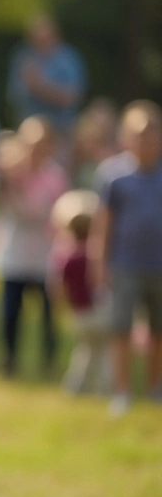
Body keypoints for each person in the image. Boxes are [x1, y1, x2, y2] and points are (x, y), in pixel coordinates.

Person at [91, 100, 162, 417]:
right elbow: (103, 224)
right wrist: (100, 263)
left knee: (158, 331)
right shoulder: (113, 175)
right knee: (121, 329)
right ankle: (122, 391)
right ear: (126, 137)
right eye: (139, 134)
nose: (146, 140)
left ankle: (155, 387)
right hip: (125, 264)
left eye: (152, 133)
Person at [0, 117, 68, 377]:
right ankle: (9, 359)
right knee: (10, 312)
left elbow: (57, 212)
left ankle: (49, 360)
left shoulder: (55, 175)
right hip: (14, 253)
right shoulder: (11, 171)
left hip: (46, 253)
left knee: (48, 313)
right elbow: (3, 206)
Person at [48, 190, 109, 396]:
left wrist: (62, 306)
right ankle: (103, 387)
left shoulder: (66, 256)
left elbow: (59, 286)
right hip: (99, 310)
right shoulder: (97, 255)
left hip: (80, 312)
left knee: (84, 350)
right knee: (102, 353)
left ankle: (76, 385)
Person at [7, 14, 87, 137]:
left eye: (45, 38)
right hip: (30, 132)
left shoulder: (68, 59)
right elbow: (15, 97)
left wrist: (41, 87)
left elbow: (73, 97)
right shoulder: (23, 58)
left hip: (62, 130)